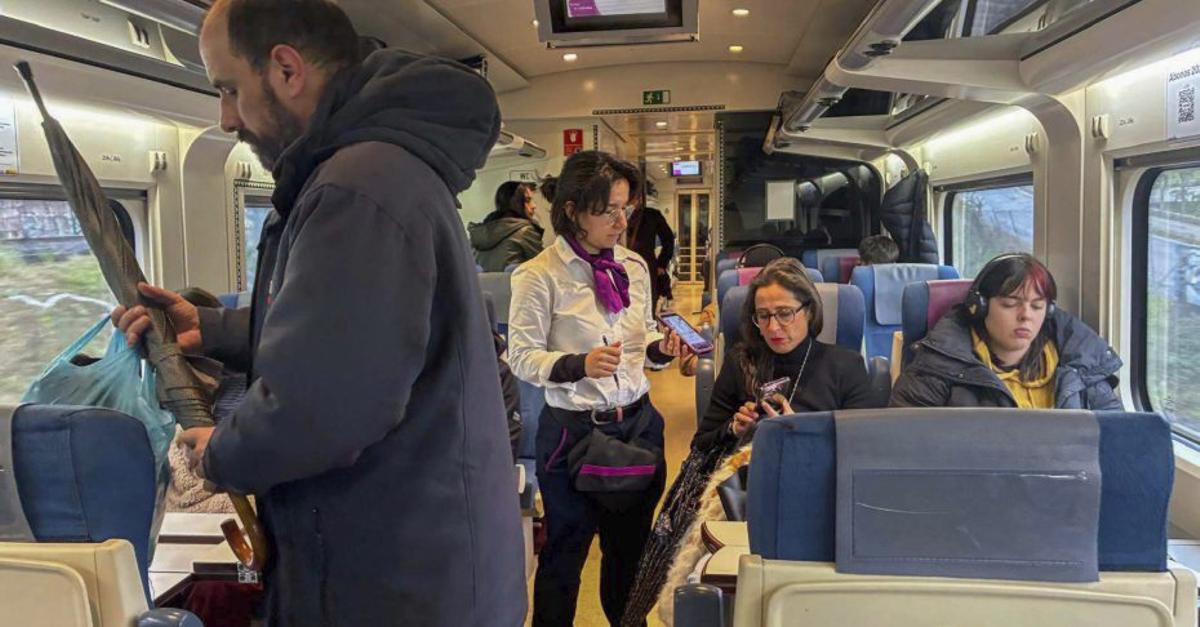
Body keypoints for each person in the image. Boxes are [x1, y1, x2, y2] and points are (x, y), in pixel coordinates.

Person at [111, 1, 525, 624]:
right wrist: (218, 331)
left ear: (286, 69)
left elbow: (325, 411)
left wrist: (219, 451)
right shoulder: (367, 171)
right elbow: (355, 340)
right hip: (411, 567)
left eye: (229, 89)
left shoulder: (356, 187)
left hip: (390, 583)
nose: (226, 119)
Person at [507, 151, 689, 627]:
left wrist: (662, 350)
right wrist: (577, 364)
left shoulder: (632, 266)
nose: (621, 220)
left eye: (625, 207)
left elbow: (641, 340)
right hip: (572, 433)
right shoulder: (538, 275)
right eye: (607, 209)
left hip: (636, 425)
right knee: (564, 556)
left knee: (630, 554)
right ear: (572, 210)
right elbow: (521, 358)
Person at [890, 253, 1123, 410]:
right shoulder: (934, 370)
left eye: (1037, 306)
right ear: (979, 307)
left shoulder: (1082, 369)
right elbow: (905, 452)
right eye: (1010, 304)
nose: (1026, 315)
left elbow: (1118, 445)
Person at [692, 258, 879, 452]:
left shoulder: (846, 366)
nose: (773, 328)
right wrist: (734, 430)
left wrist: (801, 435)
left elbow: (865, 448)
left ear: (809, 312)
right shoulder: (740, 362)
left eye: (785, 313)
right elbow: (700, 444)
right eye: (763, 316)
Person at [470, 181, 544, 271]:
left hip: (484, 285)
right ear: (515, 203)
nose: (533, 206)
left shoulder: (478, 234)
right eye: (528, 200)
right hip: (514, 284)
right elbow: (544, 268)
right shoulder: (525, 231)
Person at [625, 180, 675, 313]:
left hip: (648, 268)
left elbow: (669, 239)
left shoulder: (652, 215)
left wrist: (661, 264)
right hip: (621, 269)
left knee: (648, 309)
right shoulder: (617, 215)